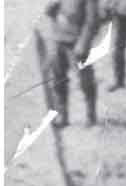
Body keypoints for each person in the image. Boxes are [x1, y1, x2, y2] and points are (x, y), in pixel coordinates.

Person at [40, 0, 99, 128]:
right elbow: (49, 12)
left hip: (76, 42)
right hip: (58, 40)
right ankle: (63, 115)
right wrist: (50, 7)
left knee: (85, 80)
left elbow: (92, 20)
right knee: (58, 80)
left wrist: (83, 42)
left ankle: (91, 115)